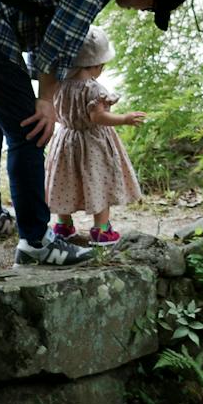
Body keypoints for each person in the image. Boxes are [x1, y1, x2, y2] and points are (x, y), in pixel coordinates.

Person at [0, 0, 190, 267]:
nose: (142, 11)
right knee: (31, 130)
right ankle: (36, 243)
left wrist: (45, 91)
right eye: (150, 6)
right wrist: (46, 100)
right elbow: (61, 38)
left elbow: (48, 26)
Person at [45, 28, 145, 246]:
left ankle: (63, 225)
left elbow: (56, 111)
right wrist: (124, 118)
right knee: (99, 180)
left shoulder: (60, 84)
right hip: (92, 143)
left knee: (66, 180)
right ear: (95, 65)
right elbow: (98, 117)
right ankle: (101, 229)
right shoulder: (93, 89)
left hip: (66, 139)